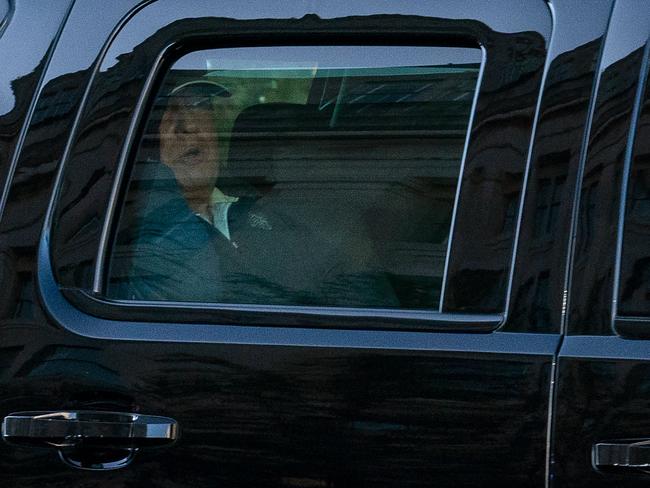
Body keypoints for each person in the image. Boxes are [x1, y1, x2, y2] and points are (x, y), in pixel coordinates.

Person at [109, 78, 398, 308]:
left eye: (198, 105)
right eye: (162, 110)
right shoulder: (131, 234)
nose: (187, 126)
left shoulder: (277, 210)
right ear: (139, 137)